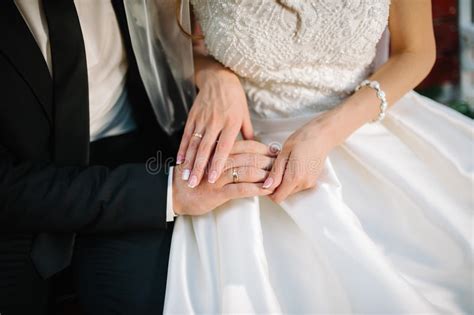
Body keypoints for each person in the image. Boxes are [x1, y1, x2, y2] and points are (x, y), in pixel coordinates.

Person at [165, 0, 474, 313]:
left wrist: (324, 132)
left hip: (364, 121)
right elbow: (164, 41)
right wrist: (214, 75)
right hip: (247, 143)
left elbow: (415, 51)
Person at [0, 1, 274, 314]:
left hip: (140, 142)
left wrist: (213, 74)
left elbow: (167, 41)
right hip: (30, 189)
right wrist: (170, 193)